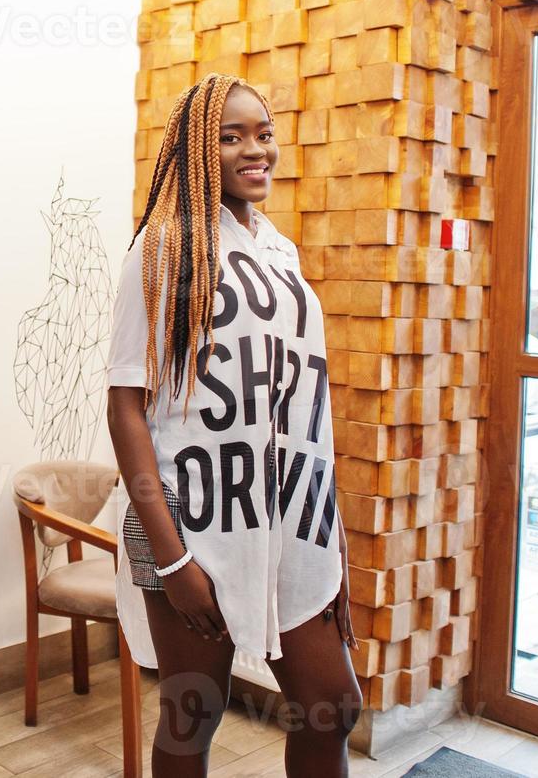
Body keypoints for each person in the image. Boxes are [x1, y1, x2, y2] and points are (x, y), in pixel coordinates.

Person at [105, 72, 362, 777]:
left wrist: (328, 539)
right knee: (192, 714)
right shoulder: (162, 249)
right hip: (188, 521)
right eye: (231, 137)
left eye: (263, 133)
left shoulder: (279, 250)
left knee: (331, 705)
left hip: (286, 519)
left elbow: (299, 407)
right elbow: (126, 403)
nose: (257, 150)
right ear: (195, 150)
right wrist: (172, 556)